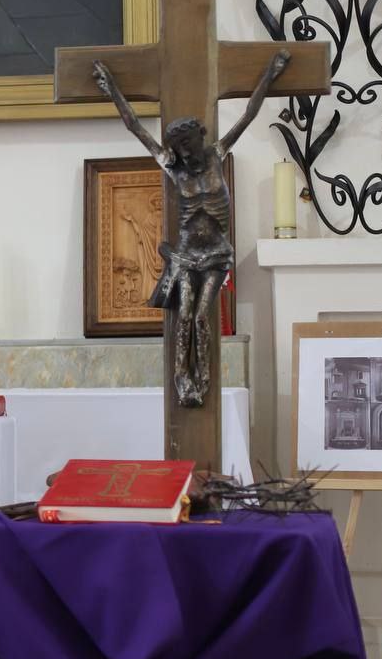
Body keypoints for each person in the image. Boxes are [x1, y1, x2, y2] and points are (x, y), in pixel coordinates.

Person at [94, 49, 290, 407]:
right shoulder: (173, 168)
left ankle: (203, 381)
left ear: (200, 136)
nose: (184, 152)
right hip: (185, 255)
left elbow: (248, 114)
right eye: (178, 147)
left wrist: (271, 74)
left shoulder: (217, 154)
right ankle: (182, 381)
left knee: (201, 317)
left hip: (215, 254)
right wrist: (112, 90)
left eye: (188, 144)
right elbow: (135, 127)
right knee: (183, 316)